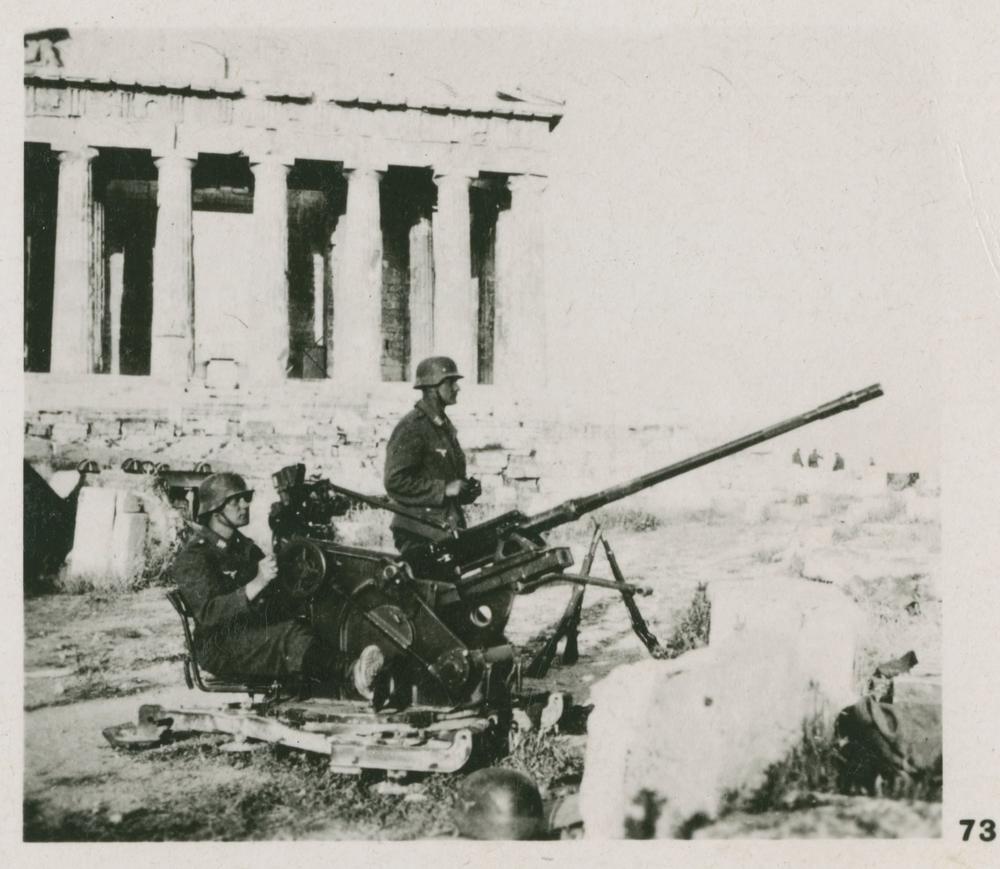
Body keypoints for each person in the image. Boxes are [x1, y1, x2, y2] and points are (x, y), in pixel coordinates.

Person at [171, 472, 385, 697]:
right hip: (219, 646)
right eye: (236, 500)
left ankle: (351, 680)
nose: (245, 504)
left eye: (246, 497)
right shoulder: (196, 556)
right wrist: (258, 582)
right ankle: (353, 674)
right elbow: (208, 614)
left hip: (249, 629)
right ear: (215, 510)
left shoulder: (243, 546)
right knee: (289, 637)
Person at [384, 356, 481, 556]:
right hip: (418, 533)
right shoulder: (413, 426)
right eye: (451, 382)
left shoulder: (441, 427)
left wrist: (465, 490)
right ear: (432, 387)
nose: (457, 388)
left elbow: (446, 482)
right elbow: (394, 481)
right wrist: (444, 489)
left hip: (442, 530)